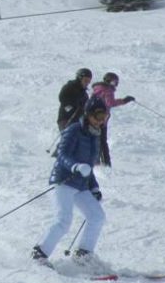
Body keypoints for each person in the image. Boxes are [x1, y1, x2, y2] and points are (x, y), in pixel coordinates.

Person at [31, 95, 108, 267]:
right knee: (64, 220)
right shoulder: (74, 130)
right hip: (64, 180)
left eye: (104, 116)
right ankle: (39, 254)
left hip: (81, 185)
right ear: (88, 114)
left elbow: (88, 166)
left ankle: (83, 255)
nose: (101, 121)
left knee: (97, 216)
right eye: (98, 116)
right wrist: (75, 166)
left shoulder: (95, 135)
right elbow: (62, 154)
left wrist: (94, 187)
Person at [90, 72, 134, 167]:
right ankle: (105, 163)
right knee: (102, 141)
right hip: (101, 120)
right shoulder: (107, 89)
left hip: (93, 119)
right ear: (108, 81)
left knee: (96, 140)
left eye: (116, 83)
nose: (115, 85)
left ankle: (96, 161)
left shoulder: (97, 89)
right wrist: (124, 100)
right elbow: (110, 103)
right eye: (114, 82)